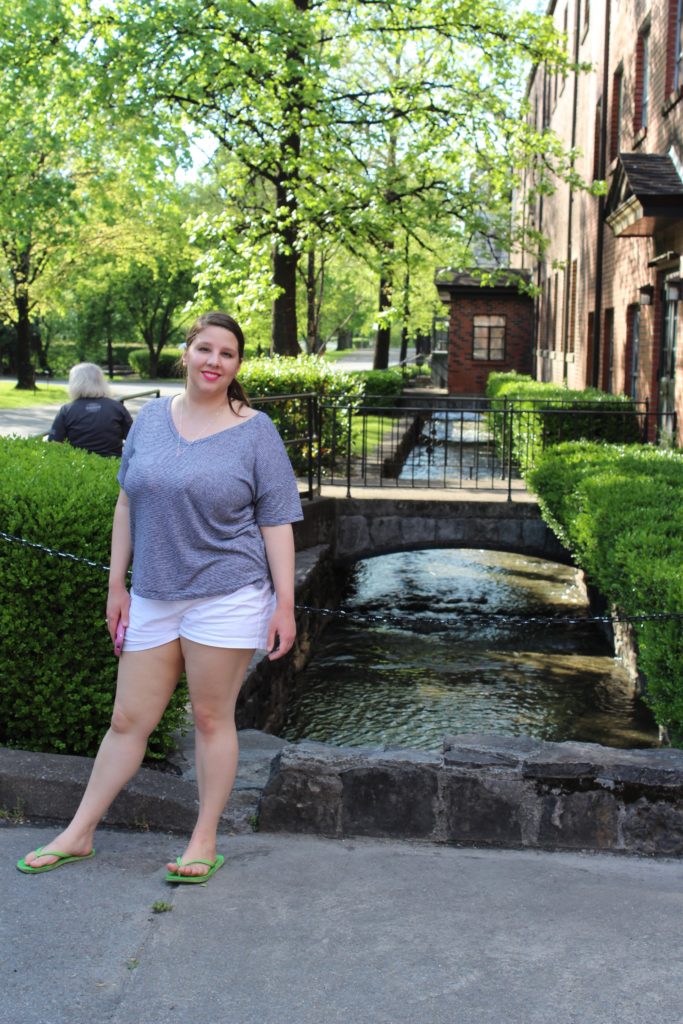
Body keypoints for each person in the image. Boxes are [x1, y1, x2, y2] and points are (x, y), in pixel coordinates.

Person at [19, 312, 303, 883]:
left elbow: (277, 522)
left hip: (227, 593)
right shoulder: (149, 420)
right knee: (128, 719)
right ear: (186, 354)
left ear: (237, 366)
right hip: (152, 592)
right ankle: (78, 834)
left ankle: (203, 840)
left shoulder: (256, 431)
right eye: (205, 349)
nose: (214, 361)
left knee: (209, 716)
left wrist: (285, 604)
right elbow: (127, 503)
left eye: (227, 353)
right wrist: (116, 585)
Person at [47, 362, 133, 457]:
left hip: (79, 465)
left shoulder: (67, 409)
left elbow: (54, 443)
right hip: (113, 464)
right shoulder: (117, 407)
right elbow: (134, 438)